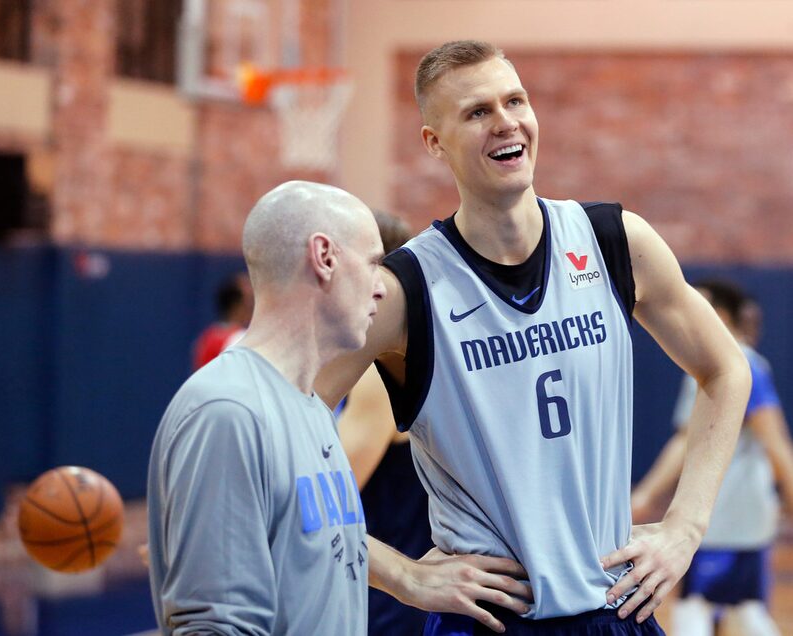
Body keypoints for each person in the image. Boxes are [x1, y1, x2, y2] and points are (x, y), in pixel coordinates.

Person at [316, 40, 751, 634]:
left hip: (617, 606)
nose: (506, 122)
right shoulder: (403, 292)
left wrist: (686, 527)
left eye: (515, 100)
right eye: (477, 111)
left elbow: (727, 369)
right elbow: (287, 439)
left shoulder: (615, 240)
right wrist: (400, 574)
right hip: (489, 619)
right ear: (433, 142)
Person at [147, 181, 528, 635]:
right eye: (373, 265)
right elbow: (214, 625)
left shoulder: (309, 408)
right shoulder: (227, 410)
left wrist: (408, 576)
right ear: (324, 257)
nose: (383, 291)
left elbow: (324, 549)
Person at [631, 280, 793, 636]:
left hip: (729, 517)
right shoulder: (709, 365)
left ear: (719, 314)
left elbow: (774, 439)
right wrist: (646, 495)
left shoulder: (739, 364)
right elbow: (687, 439)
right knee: (737, 610)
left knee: (700, 610)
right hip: (722, 517)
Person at [338, 210, 432, 635]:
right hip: (400, 592)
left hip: (389, 602)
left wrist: (219, 534)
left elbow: (323, 491)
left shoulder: (381, 373)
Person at [191, 272, 253, 370]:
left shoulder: (206, 338)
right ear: (236, 306)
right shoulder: (239, 339)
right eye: (250, 301)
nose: (253, 307)